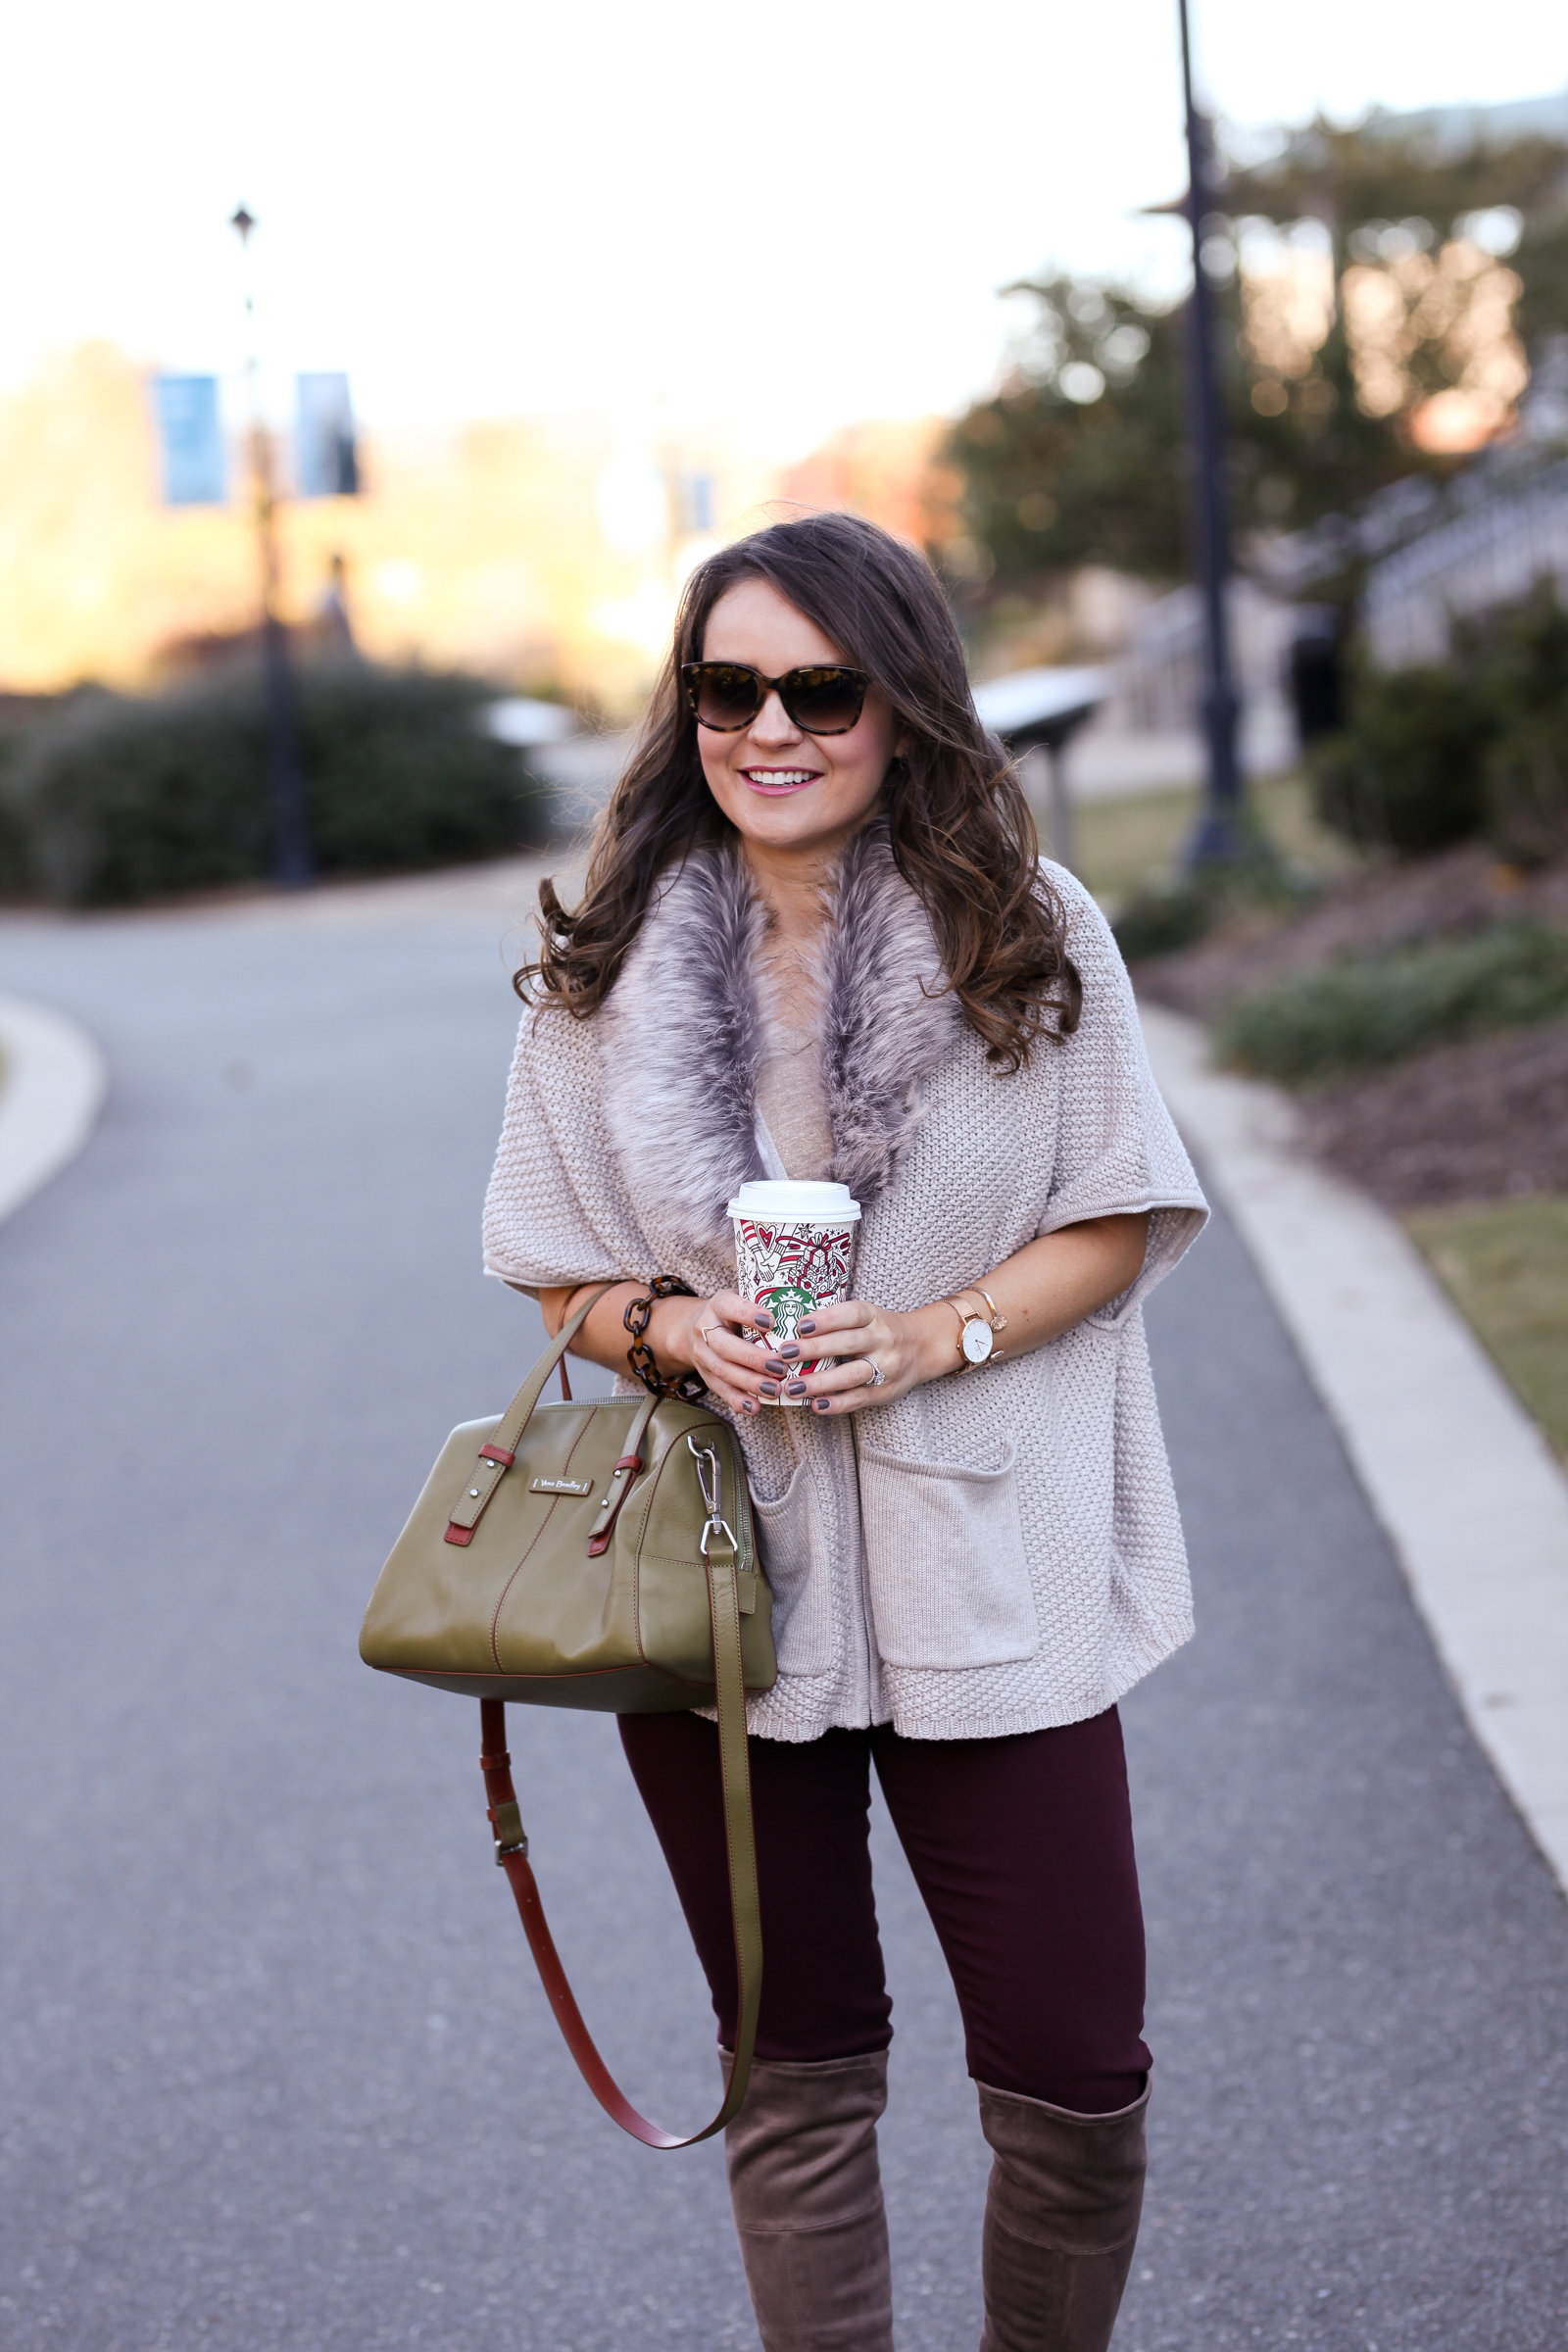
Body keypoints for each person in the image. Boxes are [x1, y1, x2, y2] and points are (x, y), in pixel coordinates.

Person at [482, 512, 1207, 2352]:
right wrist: (666, 1328)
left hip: (1002, 1569)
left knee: (1077, 2085)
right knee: (796, 2087)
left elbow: (1120, 1217)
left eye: (822, 687)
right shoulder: (600, 968)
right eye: (728, 687)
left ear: (905, 706)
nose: (770, 729)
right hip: (722, 1600)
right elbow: (553, 1271)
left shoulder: (1032, 941)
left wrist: (935, 1334)